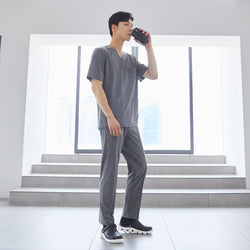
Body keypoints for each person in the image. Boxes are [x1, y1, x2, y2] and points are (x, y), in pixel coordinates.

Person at [87, 11, 158, 244]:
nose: (130, 28)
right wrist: (109, 116)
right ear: (114, 27)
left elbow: (153, 75)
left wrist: (148, 47)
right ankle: (107, 224)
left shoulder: (130, 59)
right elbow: (96, 86)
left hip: (130, 122)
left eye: (132, 24)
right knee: (110, 172)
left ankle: (128, 219)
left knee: (140, 167)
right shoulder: (101, 53)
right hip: (112, 123)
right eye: (126, 24)